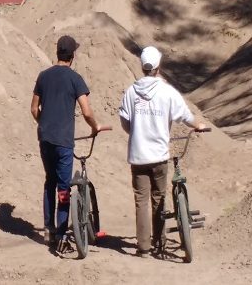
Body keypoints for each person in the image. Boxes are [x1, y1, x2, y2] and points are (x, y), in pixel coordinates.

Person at [118, 46, 206, 258]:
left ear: (142, 66)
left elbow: (124, 121)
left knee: (141, 200)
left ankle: (143, 247)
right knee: (159, 197)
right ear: (158, 67)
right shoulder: (167, 92)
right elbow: (185, 115)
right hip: (158, 156)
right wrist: (198, 125)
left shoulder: (131, 91)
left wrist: (136, 132)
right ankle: (159, 241)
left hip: (138, 155)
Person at [31, 35, 104, 251]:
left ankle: (48, 230)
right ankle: (62, 234)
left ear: (57, 54)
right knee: (64, 187)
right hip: (63, 141)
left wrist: (44, 123)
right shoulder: (75, 79)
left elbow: (34, 109)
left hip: (45, 138)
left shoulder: (43, 76)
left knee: (49, 181)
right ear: (72, 56)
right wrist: (95, 126)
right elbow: (86, 111)